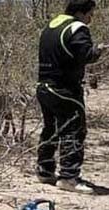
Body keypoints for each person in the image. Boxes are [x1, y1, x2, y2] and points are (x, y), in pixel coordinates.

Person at [36, 0, 105, 194]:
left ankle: (44, 170)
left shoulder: (51, 26)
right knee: (74, 130)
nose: (91, 18)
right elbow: (85, 55)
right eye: (90, 13)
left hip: (43, 87)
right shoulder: (77, 28)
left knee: (50, 129)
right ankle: (68, 177)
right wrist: (98, 50)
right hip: (65, 90)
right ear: (81, 12)